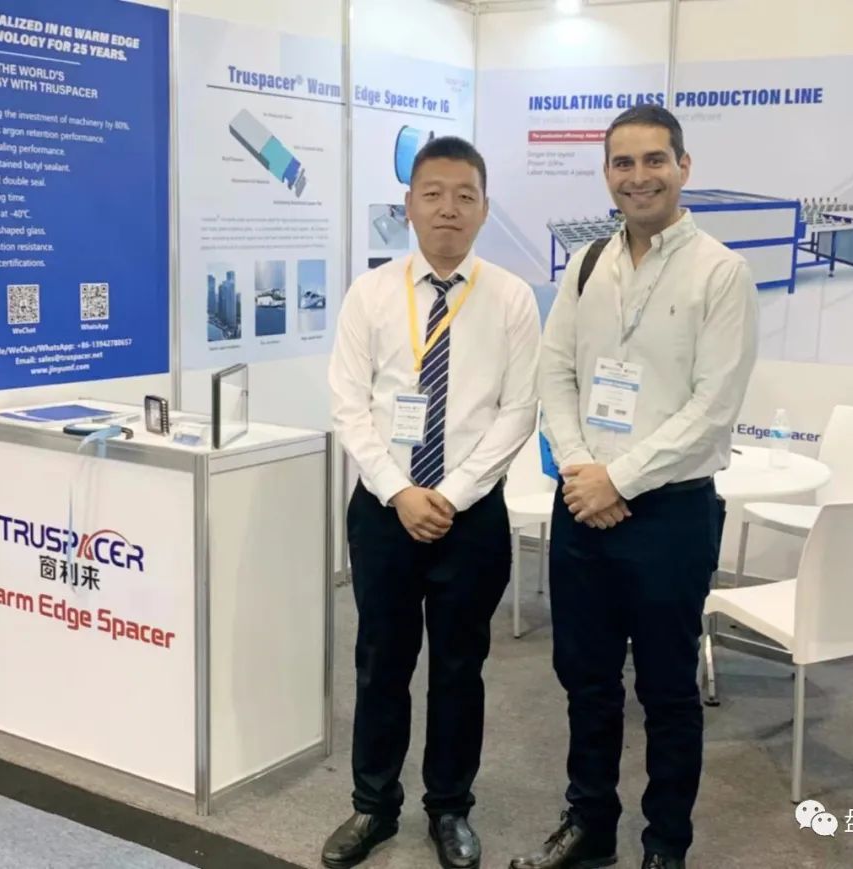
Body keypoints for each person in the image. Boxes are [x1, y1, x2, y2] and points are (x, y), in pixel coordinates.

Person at [510, 105, 759, 869]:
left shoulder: (720, 272)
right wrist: (581, 468)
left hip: (670, 514)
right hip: (582, 503)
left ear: (684, 166)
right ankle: (590, 825)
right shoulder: (588, 263)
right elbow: (554, 371)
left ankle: (665, 845)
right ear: (607, 173)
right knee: (586, 681)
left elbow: (712, 408)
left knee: (667, 691)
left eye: (655, 159)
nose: (639, 176)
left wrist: (616, 478)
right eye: (623, 162)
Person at [325, 136, 541, 869]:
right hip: (384, 511)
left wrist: (446, 495)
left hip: (469, 515)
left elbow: (518, 411)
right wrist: (399, 490)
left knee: (458, 666)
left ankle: (449, 807)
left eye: (464, 196)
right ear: (409, 206)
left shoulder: (511, 297)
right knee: (380, 662)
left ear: (483, 208)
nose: (448, 208)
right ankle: (372, 805)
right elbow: (349, 404)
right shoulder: (371, 293)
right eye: (433, 194)